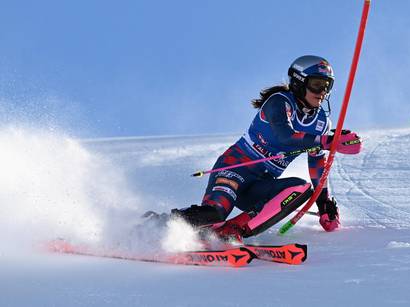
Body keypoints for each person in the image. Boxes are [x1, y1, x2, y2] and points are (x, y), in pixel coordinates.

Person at [144, 55, 361, 241]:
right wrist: (327, 141)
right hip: (235, 169)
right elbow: (285, 137)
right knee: (215, 213)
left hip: (260, 185)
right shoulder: (279, 102)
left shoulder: (321, 122)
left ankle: (230, 232)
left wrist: (323, 203)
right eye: (316, 84)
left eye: (327, 86)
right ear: (299, 82)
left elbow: (315, 161)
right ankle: (156, 225)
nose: (321, 92)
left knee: (301, 188)